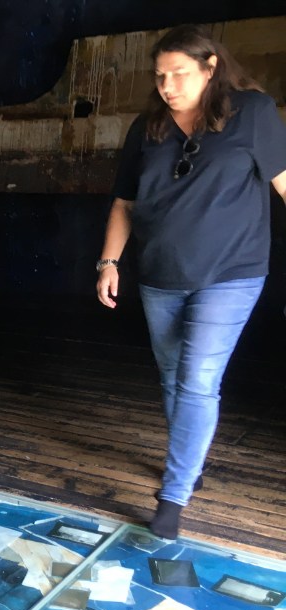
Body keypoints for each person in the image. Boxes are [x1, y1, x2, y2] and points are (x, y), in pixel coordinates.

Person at [95, 24, 286, 540]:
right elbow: (125, 203)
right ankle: (190, 458)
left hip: (231, 272)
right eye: (159, 76)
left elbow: (284, 183)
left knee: (198, 380)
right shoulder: (147, 127)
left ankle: (173, 496)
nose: (167, 86)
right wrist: (109, 262)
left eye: (179, 74)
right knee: (173, 377)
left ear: (210, 67)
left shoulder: (253, 113)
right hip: (161, 273)